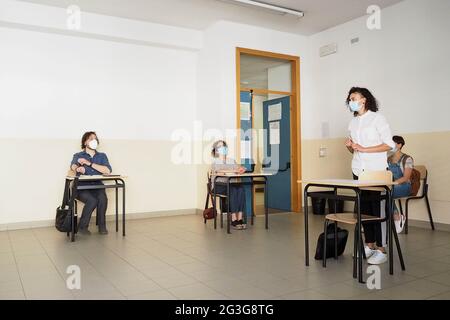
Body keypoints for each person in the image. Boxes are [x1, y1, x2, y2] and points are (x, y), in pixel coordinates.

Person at [345, 87, 396, 265]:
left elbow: (389, 145)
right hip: (359, 170)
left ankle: (382, 249)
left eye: (354, 97)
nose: (351, 100)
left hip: (376, 170)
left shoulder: (377, 118)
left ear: (364, 99)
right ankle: (370, 245)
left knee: (377, 209)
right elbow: (354, 148)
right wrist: (350, 146)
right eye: (349, 98)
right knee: (364, 210)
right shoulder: (353, 123)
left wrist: (365, 149)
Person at [70, 131, 112, 235]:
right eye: (91, 138)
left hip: (97, 185)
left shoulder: (102, 156)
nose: (94, 140)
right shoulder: (78, 155)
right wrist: (77, 168)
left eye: (95, 138)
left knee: (103, 199)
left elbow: (107, 170)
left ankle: (102, 226)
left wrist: (89, 164)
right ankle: (82, 227)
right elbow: (73, 167)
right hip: (81, 187)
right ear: (85, 142)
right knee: (92, 200)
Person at [210, 140, 247, 230]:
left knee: (241, 188)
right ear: (217, 150)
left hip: (231, 184)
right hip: (219, 185)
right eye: (220, 147)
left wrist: (242, 169)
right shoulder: (215, 162)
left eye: (224, 146)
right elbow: (220, 172)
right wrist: (234, 170)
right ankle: (233, 218)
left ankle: (240, 217)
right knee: (233, 189)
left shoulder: (231, 160)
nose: (224, 148)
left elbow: (239, 168)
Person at [388, 135, 413, 233]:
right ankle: (395, 217)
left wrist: (393, 183)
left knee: (387, 192)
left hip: (405, 186)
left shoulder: (407, 159)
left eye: (392, 143)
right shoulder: (388, 159)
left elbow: (406, 177)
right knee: (382, 192)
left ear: (399, 145)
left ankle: (396, 217)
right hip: (391, 185)